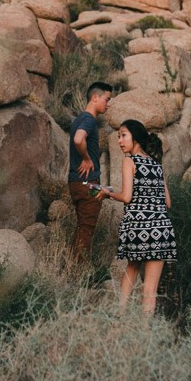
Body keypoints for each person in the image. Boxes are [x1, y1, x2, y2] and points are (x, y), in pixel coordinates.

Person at [97, 119, 177, 314]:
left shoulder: (129, 161)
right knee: (150, 290)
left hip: (139, 227)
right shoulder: (156, 164)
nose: (119, 141)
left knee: (132, 269)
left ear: (136, 138)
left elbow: (126, 197)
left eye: (123, 135)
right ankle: (145, 335)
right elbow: (168, 203)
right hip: (161, 229)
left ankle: (120, 315)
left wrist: (107, 193)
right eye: (118, 137)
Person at [67, 81, 113, 262]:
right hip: (87, 184)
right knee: (86, 230)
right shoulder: (88, 120)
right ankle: (78, 274)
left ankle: (72, 269)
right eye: (107, 99)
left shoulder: (78, 119)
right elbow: (79, 140)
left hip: (77, 183)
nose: (108, 104)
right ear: (95, 97)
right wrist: (87, 159)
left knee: (81, 228)